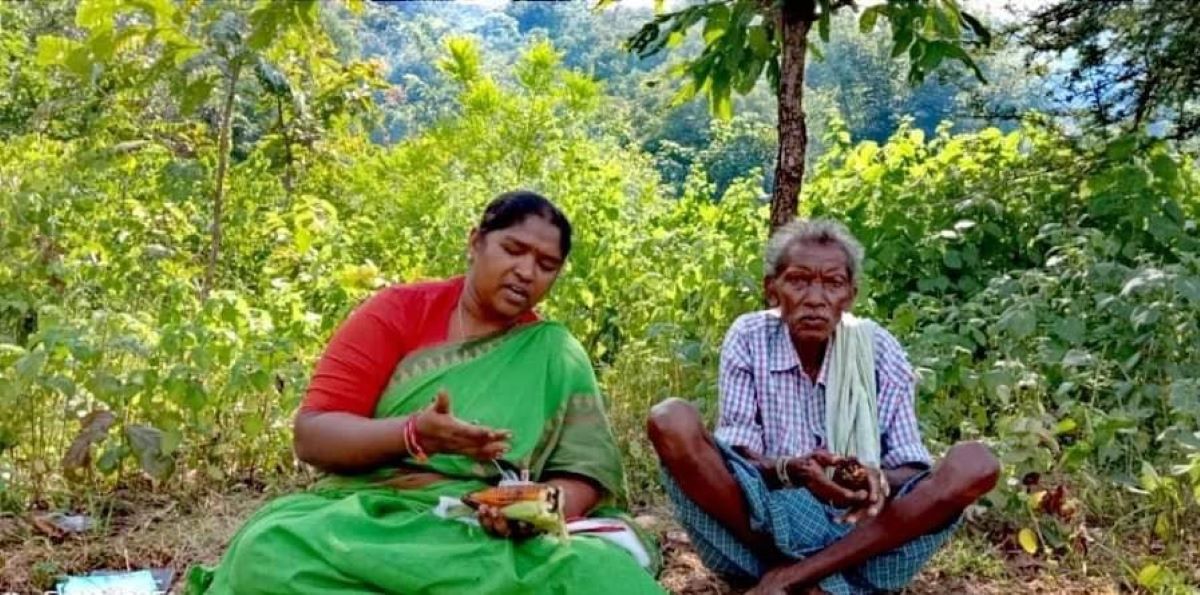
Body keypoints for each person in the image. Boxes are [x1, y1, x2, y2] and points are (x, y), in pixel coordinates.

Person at [188, 191, 663, 594]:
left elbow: (585, 474)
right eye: (513, 249)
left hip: (482, 531)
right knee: (268, 552)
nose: (526, 271)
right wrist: (414, 434)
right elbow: (313, 436)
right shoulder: (396, 312)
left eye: (546, 264)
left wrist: (535, 509)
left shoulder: (553, 351)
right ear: (475, 243)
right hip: (370, 518)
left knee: (604, 575)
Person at [646, 219, 1000, 595]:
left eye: (832, 284)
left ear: (849, 296)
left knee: (975, 463)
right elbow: (738, 455)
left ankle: (794, 577)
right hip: (766, 524)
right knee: (670, 420)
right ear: (772, 290)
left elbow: (910, 466)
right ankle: (807, 577)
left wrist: (865, 477)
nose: (815, 298)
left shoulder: (878, 348)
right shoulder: (750, 337)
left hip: (860, 534)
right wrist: (790, 470)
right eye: (799, 281)